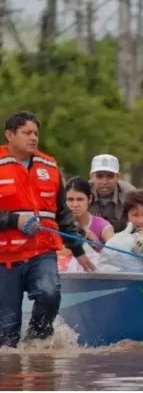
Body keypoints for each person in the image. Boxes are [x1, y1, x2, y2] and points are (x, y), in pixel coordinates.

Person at [0, 111, 94, 348]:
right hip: (5, 259)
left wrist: (78, 251)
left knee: (49, 294)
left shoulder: (49, 165)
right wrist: (13, 220)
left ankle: (37, 345)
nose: (33, 138)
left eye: (36, 133)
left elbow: (62, 212)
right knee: (6, 334)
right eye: (26, 133)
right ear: (9, 135)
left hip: (42, 251)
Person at [59, 176, 115, 272]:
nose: (75, 205)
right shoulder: (57, 225)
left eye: (80, 199)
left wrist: (95, 242)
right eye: (70, 199)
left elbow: (116, 252)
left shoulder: (102, 226)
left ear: (89, 199)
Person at [89, 154, 135, 233]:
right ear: (92, 177)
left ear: (118, 177)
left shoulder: (130, 194)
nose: (104, 182)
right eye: (99, 176)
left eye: (110, 176)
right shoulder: (83, 193)